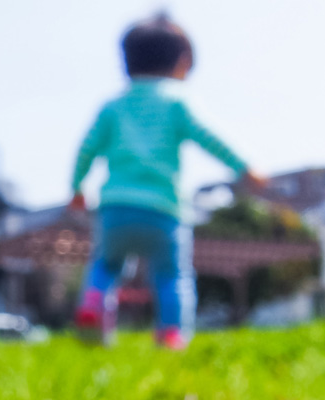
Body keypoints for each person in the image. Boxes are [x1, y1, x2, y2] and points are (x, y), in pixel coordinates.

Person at [70, 13, 267, 350]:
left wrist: (76, 188)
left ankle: (92, 307)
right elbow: (210, 138)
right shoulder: (176, 101)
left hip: (115, 205)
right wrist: (244, 167)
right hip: (164, 207)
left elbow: (87, 149)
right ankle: (172, 334)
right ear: (180, 63)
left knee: (106, 265)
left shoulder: (113, 106)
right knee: (171, 275)